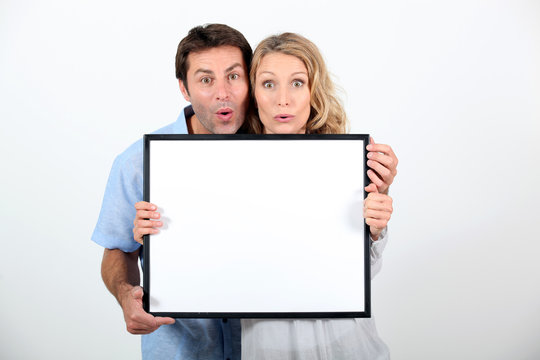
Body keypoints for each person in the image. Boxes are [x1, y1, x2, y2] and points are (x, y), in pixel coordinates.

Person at [133, 32, 398, 359]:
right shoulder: (212, 171)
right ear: (253, 94)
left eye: (298, 83)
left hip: (346, 345)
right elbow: (205, 256)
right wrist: (156, 235)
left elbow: (360, 277)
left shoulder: (347, 163)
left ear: (314, 91)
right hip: (267, 347)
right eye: (269, 84)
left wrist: (376, 225)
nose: (283, 99)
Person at [92, 23, 252, 360]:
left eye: (234, 76)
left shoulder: (284, 153)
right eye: (206, 80)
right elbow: (118, 250)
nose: (223, 92)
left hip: (260, 346)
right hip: (180, 347)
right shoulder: (137, 162)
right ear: (184, 88)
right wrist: (126, 296)